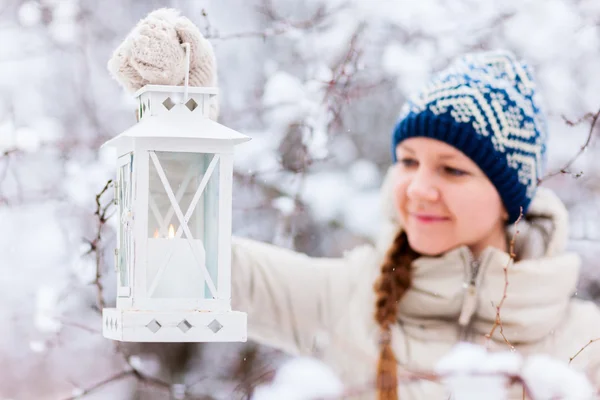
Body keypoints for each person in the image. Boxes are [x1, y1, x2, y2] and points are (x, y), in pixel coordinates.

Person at [230, 51, 600, 399]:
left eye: (452, 169)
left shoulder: (587, 344)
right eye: (408, 162)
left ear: (509, 200)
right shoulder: (346, 298)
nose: (418, 189)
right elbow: (213, 265)